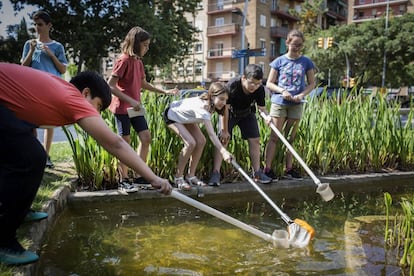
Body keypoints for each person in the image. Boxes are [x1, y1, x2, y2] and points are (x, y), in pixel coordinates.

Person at [0, 63, 172, 266]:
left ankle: (19, 209)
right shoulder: (72, 97)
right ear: (86, 92)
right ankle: (3, 242)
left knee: (26, 154)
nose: (96, 114)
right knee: (32, 157)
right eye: (98, 106)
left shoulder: (58, 90)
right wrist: (153, 178)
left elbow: (23, 119)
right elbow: (115, 143)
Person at [107, 26, 178, 193]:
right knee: (124, 143)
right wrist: (131, 99)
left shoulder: (138, 62)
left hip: (135, 108)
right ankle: (123, 180)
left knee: (146, 138)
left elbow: (144, 84)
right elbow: (110, 86)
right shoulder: (123, 60)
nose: (147, 47)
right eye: (145, 44)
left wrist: (164, 91)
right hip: (122, 108)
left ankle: (140, 176)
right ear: (136, 43)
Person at [208, 64, 272, 186]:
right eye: (252, 83)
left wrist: (267, 117)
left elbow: (262, 109)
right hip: (229, 113)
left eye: (258, 83)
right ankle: (215, 172)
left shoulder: (259, 89)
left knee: (255, 140)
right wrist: (224, 130)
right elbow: (224, 109)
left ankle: (257, 172)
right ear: (243, 78)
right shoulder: (232, 86)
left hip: (247, 113)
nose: (254, 86)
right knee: (223, 139)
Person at [264, 29, 316, 179]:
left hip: (296, 104)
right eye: (294, 44)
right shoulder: (279, 61)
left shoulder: (306, 62)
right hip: (280, 102)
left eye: (300, 45)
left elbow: (312, 83)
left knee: (290, 139)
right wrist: (282, 91)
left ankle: (289, 169)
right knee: (274, 137)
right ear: (287, 43)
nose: (297, 47)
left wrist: (301, 95)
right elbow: (269, 83)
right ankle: (267, 169)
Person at [21, 10, 68, 169]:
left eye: (40, 24)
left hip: (51, 89)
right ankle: (36, 155)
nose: (37, 27)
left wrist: (51, 54)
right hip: (32, 89)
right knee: (31, 123)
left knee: (49, 122)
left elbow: (63, 70)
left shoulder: (57, 46)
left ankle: (46, 156)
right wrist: (32, 51)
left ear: (49, 26)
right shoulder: (29, 44)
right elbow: (23, 67)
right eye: (35, 24)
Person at [164, 82, 233, 190]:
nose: (223, 103)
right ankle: (178, 178)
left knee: (201, 141)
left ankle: (191, 176)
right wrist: (223, 151)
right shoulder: (203, 109)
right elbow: (211, 133)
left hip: (186, 117)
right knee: (190, 143)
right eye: (221, 99)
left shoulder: (211, 105)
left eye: (225, 100)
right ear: (212, 96)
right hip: (173, 115)